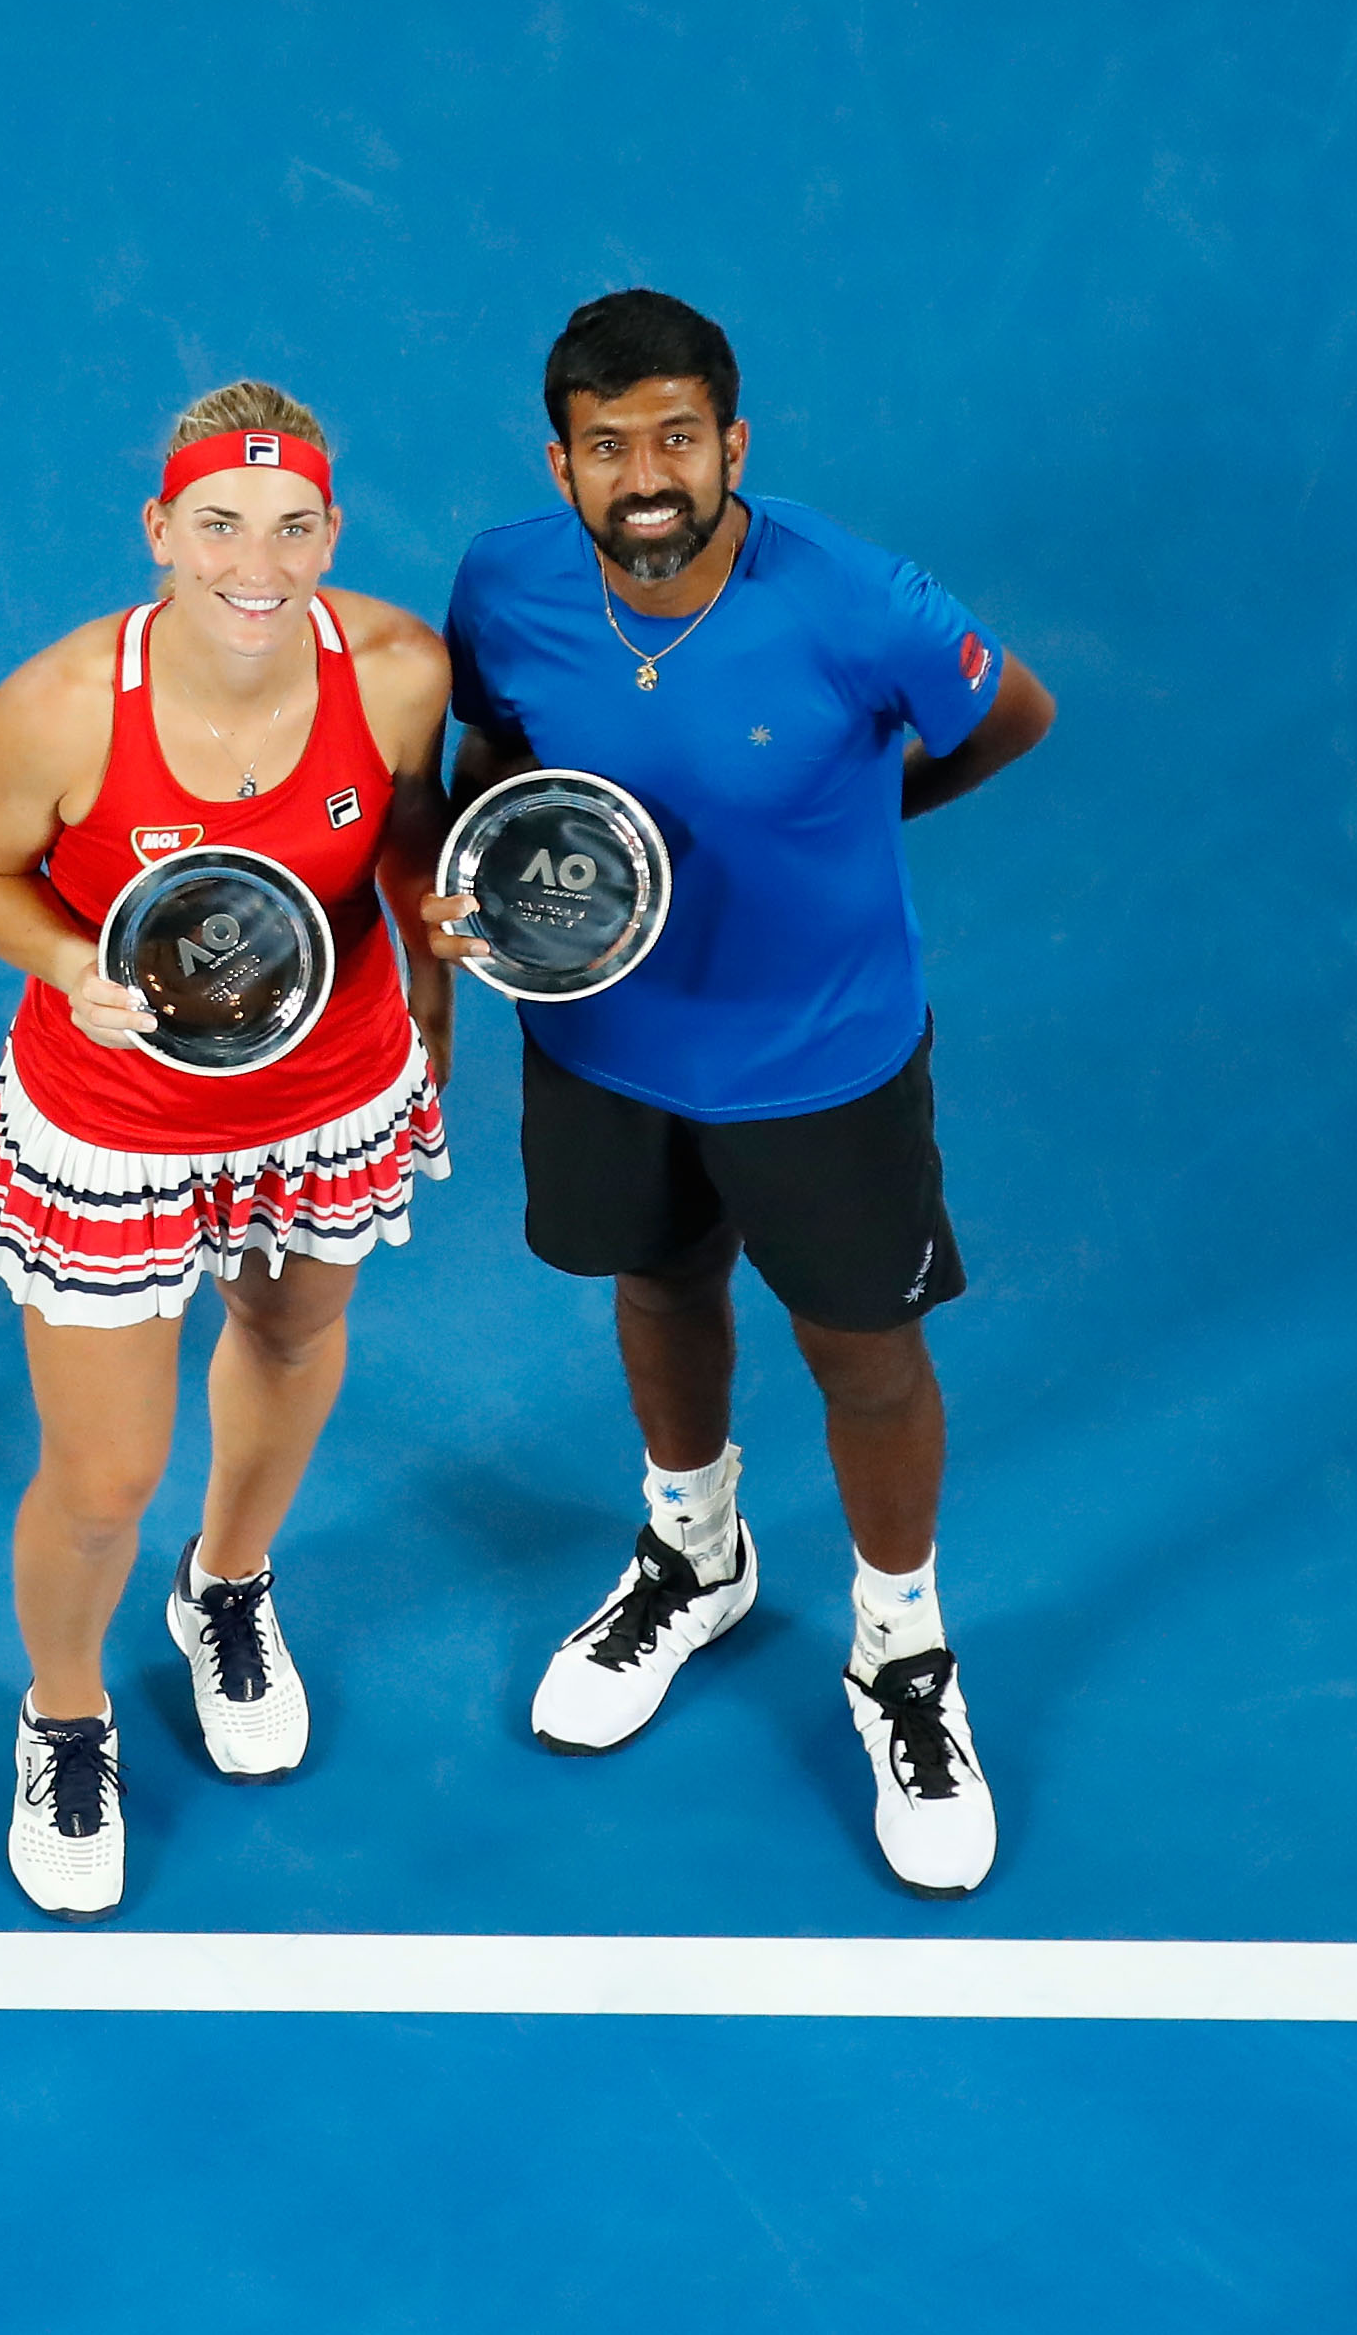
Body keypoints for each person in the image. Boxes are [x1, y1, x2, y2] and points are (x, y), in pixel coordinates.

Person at [428, 289, 1057, 1898]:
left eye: (678, 440)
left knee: (862, 1349)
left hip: (819, 1060)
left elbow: (1010, 715)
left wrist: (846, 828)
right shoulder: (501, 583)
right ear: (558, 462)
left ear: (734, 447)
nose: (647, 476)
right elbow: (493, 763)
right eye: (608, 446)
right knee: (655, 1281)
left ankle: (899, 1650)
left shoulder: (853, 599)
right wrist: (481, 879)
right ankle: (691, 1552)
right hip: (598, 1041)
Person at [0, 385, 456, 1920]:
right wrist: (65, 965)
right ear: (158, 529)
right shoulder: (54, 707)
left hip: (327, 1093)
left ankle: (224, 1585)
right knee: (103, 1477)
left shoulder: (399, 671)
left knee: (296, 1330)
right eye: (219, 526)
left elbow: (413, 844)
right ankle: (66, 1712)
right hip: (116, 1120)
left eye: (292, 528)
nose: (257, 562)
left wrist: (434, 993)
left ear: (329, 535)